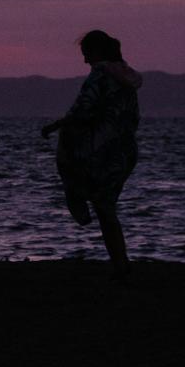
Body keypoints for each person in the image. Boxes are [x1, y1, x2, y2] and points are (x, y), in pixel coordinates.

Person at [42, 30, 142, 279]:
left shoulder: (100, 76)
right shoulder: (126, 79)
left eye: (86, 54)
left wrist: (57, 125)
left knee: (101, 205)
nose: (85, 60)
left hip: (102, 152)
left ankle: (120, 264)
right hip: (125, 151)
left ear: (96, 52)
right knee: (106, 208)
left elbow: (83, 108)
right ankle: (121, 264)